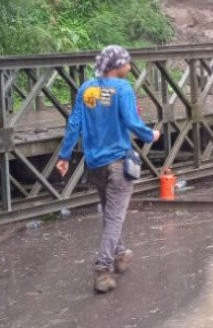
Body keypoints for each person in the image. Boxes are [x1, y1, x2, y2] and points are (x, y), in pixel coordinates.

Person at [56, 45, 160, 294]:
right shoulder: (123, 88)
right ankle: (103, 268)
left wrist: (64, 155)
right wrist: (151, 135)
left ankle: (121, 254)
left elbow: (75, 124)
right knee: (114, 216)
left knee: (109, 211)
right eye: (127, 62)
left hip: (95, 165)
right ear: (116, 66)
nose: (130, 66)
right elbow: (132, 122)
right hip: (117, 163)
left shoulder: (87, 88)